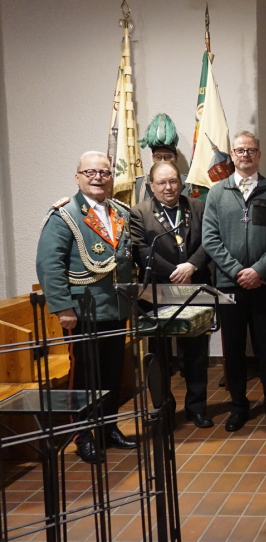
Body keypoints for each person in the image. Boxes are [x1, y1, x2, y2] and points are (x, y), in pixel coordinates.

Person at [36, 151, 136, 463]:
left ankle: (108, 427)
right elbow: (49, 264)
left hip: (116, 308)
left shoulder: (120, 212)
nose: (97, 178)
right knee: (84, 376)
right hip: (83, 311)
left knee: (111, 373)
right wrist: (62, 307)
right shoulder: (65, 214)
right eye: (90, 172)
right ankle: (82, 435)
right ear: (77, 177)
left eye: (104, 172)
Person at [202, 131, 266, 432]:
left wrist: (259, 271)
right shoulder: (217, 193)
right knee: (234, 349)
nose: (245, 155)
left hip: (265, 284)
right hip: (229, 286)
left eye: (251, 150)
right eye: (240, 150)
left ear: (259, 154)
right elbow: (210, 239)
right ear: (232, 154)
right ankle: (238, 406)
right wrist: (238, 271)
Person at [130, 161, 213, 428]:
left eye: (174, 181)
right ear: (151, 186)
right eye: (162, 182)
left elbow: (210, 240)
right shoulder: (139, 212)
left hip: (195, 284)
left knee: (196, 354)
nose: (169, 187)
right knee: (160, 354)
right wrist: (175, 272)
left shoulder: (197, 207)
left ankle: (197, 408)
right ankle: (163, 408)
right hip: (158, 290)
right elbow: (141, 250)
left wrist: (192, 266)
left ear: (181, 182)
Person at [133, 114, 193, 204]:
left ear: (176, 158)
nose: (163, 161)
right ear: (153, 158)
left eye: (168, 157)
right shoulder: (139, 185)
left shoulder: (190, 184)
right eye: (158, 156)